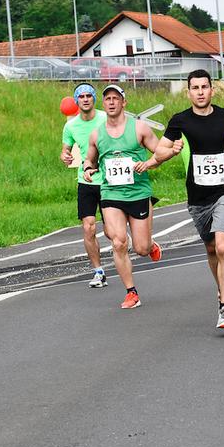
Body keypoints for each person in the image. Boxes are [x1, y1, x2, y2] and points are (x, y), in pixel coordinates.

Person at [152, 69, 224, 330]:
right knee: (210, 248)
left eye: (205, 87)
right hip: (197, 196)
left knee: (223, 245)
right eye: (195, 88)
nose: (201, 92)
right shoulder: (179, 121)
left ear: (212, 90)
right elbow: (159, 153)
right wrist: (172, 149)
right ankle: (223, 288)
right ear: (189, 92)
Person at [83, 84, 162, 310]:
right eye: (107, 98)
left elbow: (159, 153)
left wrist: (148, 163)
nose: (110, 102)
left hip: (138, 193)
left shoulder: (139, 128)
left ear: (123, 103)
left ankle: (150, 243)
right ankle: (131, 292)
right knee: (118, 242)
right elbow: (89, 159)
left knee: (141, 249)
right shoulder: (97, 134)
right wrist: (88, 169)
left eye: (115, 98)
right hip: (111, 193)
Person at [61, 84, 109, 288]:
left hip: (108, 180)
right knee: (88, 228)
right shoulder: (71, 126)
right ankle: (98, 271)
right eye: (82, 96)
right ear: (76, 101)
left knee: (111, 232)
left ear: (94, 99)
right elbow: (65, 150)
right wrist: (65, 155)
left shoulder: (106, 118)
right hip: (85, 181)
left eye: (89, 95)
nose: (86, 99)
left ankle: (125, 244)